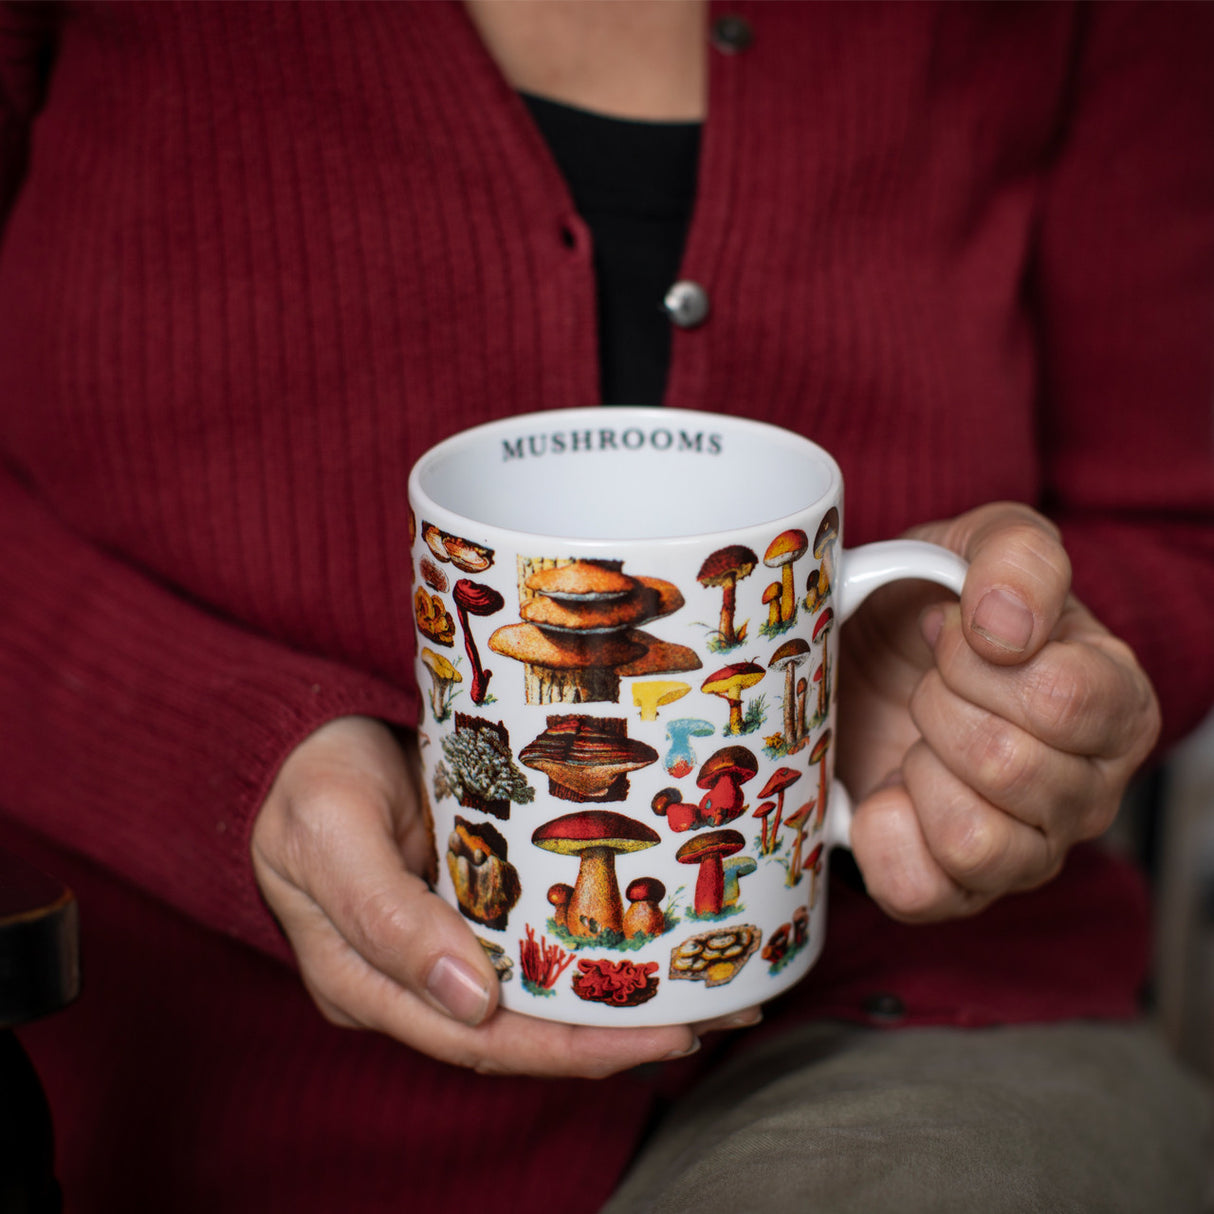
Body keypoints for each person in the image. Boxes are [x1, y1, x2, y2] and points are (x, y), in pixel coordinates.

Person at [0, 1, 1210, 1210]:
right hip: (197, 1069)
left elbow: (1177, 518)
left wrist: (1009, 692)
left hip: (906, 1033)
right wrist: (222, 761)